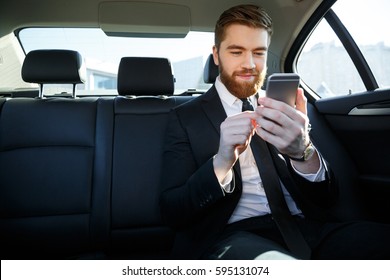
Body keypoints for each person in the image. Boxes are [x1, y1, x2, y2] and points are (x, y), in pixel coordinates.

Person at [159, 4, 390, 260]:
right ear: (216, 55)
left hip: (310, 230)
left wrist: (303, 152)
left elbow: (327, 198)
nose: (249, 64)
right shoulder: (184, 117)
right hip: (230, 237)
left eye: (259, 52)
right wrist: (222, 162)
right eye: (236, 52)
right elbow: (173, 211)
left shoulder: (285, 105)